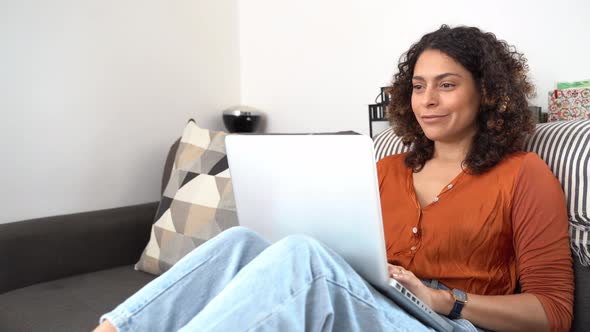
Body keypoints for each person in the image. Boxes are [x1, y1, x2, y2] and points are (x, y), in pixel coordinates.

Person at [94, 25, 573, 332]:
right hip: (372, 305)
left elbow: (553, 312)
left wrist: (446, 301)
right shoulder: (382, 170)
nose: (427, 100)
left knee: (304, 255)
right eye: (418, 87)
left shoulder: (523, 175)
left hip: (448, 324)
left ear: (487, 93)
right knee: (241, 240)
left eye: (447, 85)